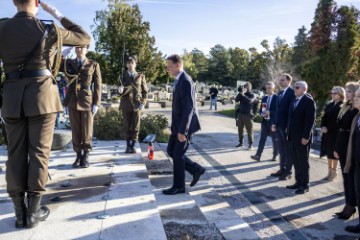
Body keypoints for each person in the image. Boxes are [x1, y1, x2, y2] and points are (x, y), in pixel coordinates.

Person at [0, 0, 90, 229]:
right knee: (39, 154)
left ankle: (19, 213)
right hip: (42, 98)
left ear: (13, 2)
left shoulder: (2, 27)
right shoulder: (49, 29)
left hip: (11, 98)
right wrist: (56, 13)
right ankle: (32, 213)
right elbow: (84, 37)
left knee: (16, 154)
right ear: (37, 3)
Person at [162, 54, 205, 195]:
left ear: (178, 65)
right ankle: (195, 169)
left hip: (184, 126)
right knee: (171, 151)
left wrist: (183, 131)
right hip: (178, 125)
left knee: (178, 154)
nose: (167, 69)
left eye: (169, 66)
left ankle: (179, 186)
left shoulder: (186, 81)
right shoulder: (179, 80)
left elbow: (189, 108)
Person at [61, 45, 102, 168]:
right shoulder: (69, 63)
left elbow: (98, 85)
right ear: (74, 49)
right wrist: (62, 54)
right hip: (73, 100)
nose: (80, 49)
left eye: (82, 47)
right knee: (76, 130)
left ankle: (86, 156)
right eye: (77, 47)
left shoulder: (93, 64)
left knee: (87, 130)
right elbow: (55, 66)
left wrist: (96, 103)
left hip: (87, 100)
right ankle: (78, 155)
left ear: (86, 49)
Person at [334, 82, 359, 219]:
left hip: (349, 146)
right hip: (342, 144)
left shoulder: (355, 109)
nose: (347, 93)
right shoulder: (346, 107)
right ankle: (348, 204)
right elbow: (340, 129)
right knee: (346, 177)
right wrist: (337, 148)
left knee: (350, 178)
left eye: (350, 91)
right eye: (347, 91)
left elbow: (348, 131)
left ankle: (351, 206)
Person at [285, 81, 316, 194]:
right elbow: (291, 117)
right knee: (296, 160)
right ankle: (298, 182)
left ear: (304, 89)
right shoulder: (294, 100)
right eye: (294, 87)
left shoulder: (309, 101)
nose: (294, 89)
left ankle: (305, 185)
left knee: (303, 162)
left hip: (303, 137)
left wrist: (306, 136)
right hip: (292, 136)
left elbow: (310, 121)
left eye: (297, 87)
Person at [118, 56, 148, 153]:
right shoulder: (122, 76)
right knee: (126, 125)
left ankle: (133, 145)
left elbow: (145, 91)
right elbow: (119, 91)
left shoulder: (140, 76)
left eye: (132, 63)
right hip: (126, 104)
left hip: (136, 104)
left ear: (135, 65)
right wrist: (119, 91)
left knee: (136, 126)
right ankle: (128, 146)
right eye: (128, 63)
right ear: (126, 65)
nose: (130, 65)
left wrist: (143, 102)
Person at [270, 74, 295, 180]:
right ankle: (282, 169)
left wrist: (288, 126)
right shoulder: (280, 93)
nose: (280, 82)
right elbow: (277, 110)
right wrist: (274, 123)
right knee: (281, 149)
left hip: (286, 127)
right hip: (278, 125)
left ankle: (288, 172)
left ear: (289, 81)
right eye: (279, 80)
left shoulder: (292, 93)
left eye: (283, 80)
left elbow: (291, 112)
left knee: (288, 149)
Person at [343, 88, 360, 233]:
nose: (355, 98)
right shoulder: (357, 117)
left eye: (358, 96)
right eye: (355, 95)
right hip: (356, 163)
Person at [320, 86, 345, 181]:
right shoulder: (329, 105)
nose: (332, 95)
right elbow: (323, 117)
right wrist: (322, 126)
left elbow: (338, 121)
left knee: (334, 153)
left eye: (335, 93)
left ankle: (334, 171)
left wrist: (328, 128)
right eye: (332, 93)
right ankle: (329, 172)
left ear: (340, 94)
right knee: (328, 152)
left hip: (335, 133)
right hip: (327, 133)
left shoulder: (342, 105)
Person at [251, 82, 278, 162]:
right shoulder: (264, 98)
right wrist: (261, 114)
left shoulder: (277, 98)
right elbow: (261, 110)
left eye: (269, 88)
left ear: (273, 89)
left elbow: (279, 110)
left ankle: (275, 155)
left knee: (274, 140)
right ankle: (258, 155)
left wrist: (270, 112)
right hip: (265, 122)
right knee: (262, 139)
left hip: (273, 123)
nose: (267, 89)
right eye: (266, 88)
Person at [235, 82, 256, 149]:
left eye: (246, 87)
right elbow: (236, 100)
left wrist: (243, 95)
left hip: (248, 115)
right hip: (241, 114)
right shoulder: (242, 94)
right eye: (244, 87)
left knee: (249, 130)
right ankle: (241, 143)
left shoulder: (252, 95)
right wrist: (240, 93)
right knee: (240, 129)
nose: (245, 88)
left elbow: (250, 101)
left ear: (250, 87)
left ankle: (250, 144)